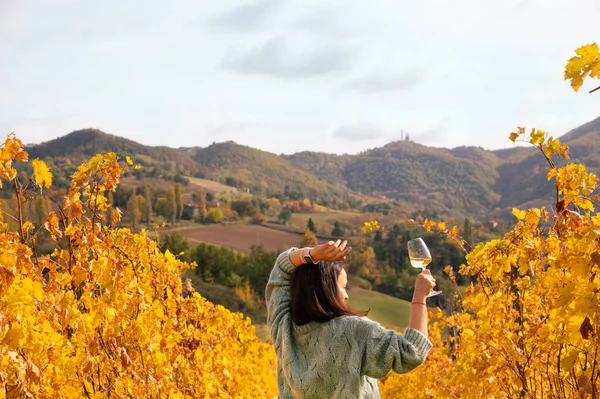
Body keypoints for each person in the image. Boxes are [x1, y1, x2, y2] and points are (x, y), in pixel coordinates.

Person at [266, 239, 435, 398]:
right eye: (343, 286)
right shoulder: (355, 331)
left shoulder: (283, 324)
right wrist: (420, 296)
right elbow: (412, 352)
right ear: (327, 288)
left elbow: (281, 270)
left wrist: (312, 254)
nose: (346, 295)